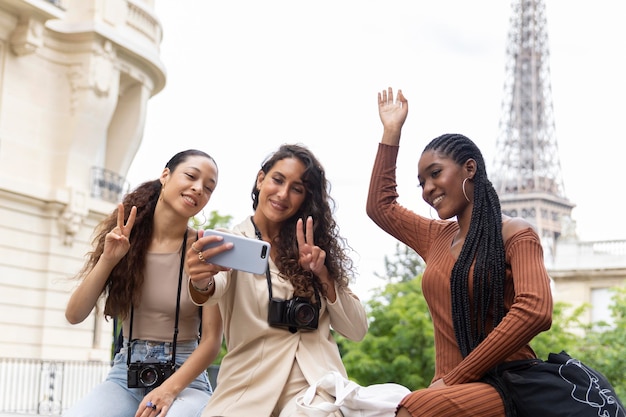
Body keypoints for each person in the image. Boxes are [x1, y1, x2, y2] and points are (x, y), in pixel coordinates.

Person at [366, 88, 553, 417]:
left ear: (470, 168)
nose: (427, 190)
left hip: (505, 384)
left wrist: (459, 376)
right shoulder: (435, 237)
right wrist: (391, 133)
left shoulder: (516, 233)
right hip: (450, 387)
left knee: (412, 409)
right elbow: (381, 207)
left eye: (435, 173)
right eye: (421, 182)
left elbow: (535, 310)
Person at [186, 143, 369, 416]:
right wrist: (200, 280)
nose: (283, 194)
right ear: (261, 180)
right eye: (278, 180)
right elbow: (212, 288)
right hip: (249, 386)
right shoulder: (232, 243)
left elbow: (357, 330)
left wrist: (323, 274)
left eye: (297, 188)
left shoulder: (312, 249)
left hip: (314, 385)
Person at [64, 149, 226, 417]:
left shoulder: (205, 250)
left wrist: (168, 390)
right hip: (125, 375)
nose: (198, 189)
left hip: (185, 380)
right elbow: (74, 314)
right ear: (165, 175)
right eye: (191, 176)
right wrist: (108, 259)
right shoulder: (126, 240)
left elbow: (211, 342)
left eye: (209, 188)